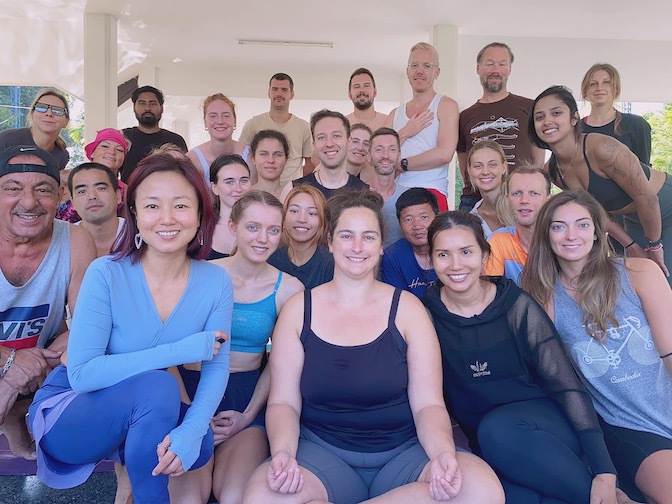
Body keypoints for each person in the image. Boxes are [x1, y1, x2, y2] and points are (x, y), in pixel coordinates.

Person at [243, 190, 504, 504]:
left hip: (406, 454)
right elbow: (284, 402)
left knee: (482, 490)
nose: (357, 247)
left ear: (381, 246)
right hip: (321, 455)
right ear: (330, 242)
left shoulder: (408, 309)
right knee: (263, 496)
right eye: (347, 236)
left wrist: (443, 455)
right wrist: (283, 453)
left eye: (368, 237)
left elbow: (428, 404)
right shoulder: (299, 310)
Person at [28, 153, 233, 504]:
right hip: (71, 410)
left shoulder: (216, 280)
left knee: (196, 447)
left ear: (200, 213)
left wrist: (191, 429)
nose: (167, 219)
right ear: (135, 214)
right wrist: (181, 350)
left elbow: (216, 368)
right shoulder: (106, 273)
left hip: (140, 408)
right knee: (159, 384)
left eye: (181, 205)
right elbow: (81, 374)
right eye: (152, 206)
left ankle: (132, 457)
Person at [423, 210, 619, 504]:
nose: (455, 265)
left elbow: (566, 387)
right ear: (431, 260)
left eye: (466, 252)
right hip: (492, 446)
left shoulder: (515, 305)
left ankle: (602, 495)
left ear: (485, 254)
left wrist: (604, 470)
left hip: (543, 427)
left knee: (498, 428)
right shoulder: (425, 315)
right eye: (443, 254)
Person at [522, 189, 672, 503]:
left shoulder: (638, 273)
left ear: (597, 232)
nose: (570, 235)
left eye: (582, 224)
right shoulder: (543, 298)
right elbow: (556, 380)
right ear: (546, 235)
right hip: (627, 425)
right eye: (558, 226)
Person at [172, 191, 303, 504]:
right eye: (253, 227)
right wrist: (191, 412)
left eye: (273, 230)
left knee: (233, 496)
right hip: (188, 393)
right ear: (233, 227)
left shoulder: (289, 288)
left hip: (243, 398)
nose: (263, 238)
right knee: (188, 499)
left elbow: (280, 363)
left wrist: (248, 413)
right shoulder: (197, 275)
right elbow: (168, 350)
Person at [0, 146, 96, 460]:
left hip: (41, 367)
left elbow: (88, 325)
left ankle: (19, 410)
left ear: (60, 195)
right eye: (13, 188)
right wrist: (11, 365)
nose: (28, 202)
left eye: (42, 190)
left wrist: (23, 373)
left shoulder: (76, 240)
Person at [529, 85, 672, 285]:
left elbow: (648, 198)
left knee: (663, 278)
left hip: (664, 206)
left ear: (574, 118)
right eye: (539, 117)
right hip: (633, 218)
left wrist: (654, 246)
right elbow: (598, 212)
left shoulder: (603, 148)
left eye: (556, 113)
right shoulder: (553, 171)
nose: (547, 121)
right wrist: (631, 246)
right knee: (638, 280)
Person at [457, 43, 545, 211]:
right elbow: (464, 165)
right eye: (489, 64)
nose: (495, 70)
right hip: (474, 200)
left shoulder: (530, 108)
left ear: (509, 69)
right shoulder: (464, 117)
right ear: (478, 69)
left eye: (502, 64)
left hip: (518, 199)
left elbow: (538, 161)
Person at [387, 42, 459, 200]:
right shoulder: (394, 114)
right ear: (407, 71)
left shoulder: (446, 105)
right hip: (395, 195)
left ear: (437, 72)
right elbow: (380, 154)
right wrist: (405, 132)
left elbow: (444, 154)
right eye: (414, 65)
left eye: (427, 66)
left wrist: (402, 164)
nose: (419, 71)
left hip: (430, 192)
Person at [239, 73, 313, 185]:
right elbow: (243, 158)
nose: (279, 93)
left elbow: (310, 162)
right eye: (275, 89)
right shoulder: (253, 124)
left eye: (284, 90)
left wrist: (301, 187)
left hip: (292, 191)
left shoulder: (304, 127)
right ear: (269, 93)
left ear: (292, 94)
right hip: (261, 192)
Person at [483, 166, 551, 284]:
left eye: (534, 193)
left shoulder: (562, 240)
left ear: (548, 200)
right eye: (517, 193)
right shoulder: (498, 241)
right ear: (508, 199)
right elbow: (489, 292)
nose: (524, 200)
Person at [284, 110, 368, 201]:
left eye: (336, 136)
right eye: (321, 137)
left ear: (348, 141)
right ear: (314, 145)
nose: (329, 143)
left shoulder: (366, 193)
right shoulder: (292, 190)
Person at [580, 63, 651, 165]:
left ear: (616, 89)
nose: (599, 88)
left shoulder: (636, 125)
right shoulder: (575, 130)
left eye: (606, 82)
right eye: (593, 84)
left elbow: (644, 172)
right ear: (585, 91)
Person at [268, 184, 334, 289]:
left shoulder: (330, 265)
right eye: (294, 211)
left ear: (322, 221)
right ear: (283, 217)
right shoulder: (271, 259)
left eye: (312, 213)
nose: (302, 219)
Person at [58, 128, 130, 223]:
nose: (112, 152)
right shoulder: (66, 178)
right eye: (105, 146)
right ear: (92, 153)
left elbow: (126, 227)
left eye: (119, 150)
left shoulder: (125, 190)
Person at [120, 85, 188, 183]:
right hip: (129, 196)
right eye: (142, 103)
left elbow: (185, 173)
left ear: (161, 108)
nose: (147, 108)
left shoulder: (175, 140)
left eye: (153, 103)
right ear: (134, 108)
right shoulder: (123, 137)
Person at [381, 187, 438, 299]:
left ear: (437, 217)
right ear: (399, 224)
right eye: (408, 219)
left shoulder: (451, 249)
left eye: (424, 217)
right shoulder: (392, 256)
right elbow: (397, 302)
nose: (417, 226)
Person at [187, 93, 251, 183]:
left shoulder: (250, 156)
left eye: (226, 116)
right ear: (205, 122)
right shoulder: (193, 159)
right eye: (213, 116)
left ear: (235, 120)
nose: (220, 121)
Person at [0, 88, 70, 170]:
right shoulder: (6, 140)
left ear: (66, 121)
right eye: (41, 107)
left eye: (58, 111)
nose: (49, 113)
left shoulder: (62, 155)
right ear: (32, 114)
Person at [69, 163, 124, 257]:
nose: (92, 196)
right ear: (73, 202)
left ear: (118, 196)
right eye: (82, 191)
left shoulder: (139, 235)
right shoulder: (63, 240)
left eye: (101, 188)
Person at [367, 127, 409, 247]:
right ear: (369, 156)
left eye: (392, 149)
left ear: (399, 156)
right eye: (379, 149)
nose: (386, 155)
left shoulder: (408, 197)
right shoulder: (357, 195)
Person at [209, 154, 252, 259]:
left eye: (244, 180)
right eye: (229, 182)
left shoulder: (263, 225)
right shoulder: (201, 227)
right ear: (215, 188)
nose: (238, 188)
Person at [465, 140, 507, 237]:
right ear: (469, 170)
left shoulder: (520, 205)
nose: (485, 172)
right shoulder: (472, 216)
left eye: (492, 165)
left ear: (504, 167)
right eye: (478, 166)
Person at [346, 68, 388, 132]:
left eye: (366, 86)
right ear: (349, 95)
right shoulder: (342, 125)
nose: (362, 90)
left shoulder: (389, 122)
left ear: (375, 92)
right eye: (356, 86)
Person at [250, 130, 289, 199]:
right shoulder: (243, 195)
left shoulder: (292, 197)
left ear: (286, 159)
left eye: (278, 155)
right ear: (253, 158)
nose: (271, 160)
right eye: (263, 154)